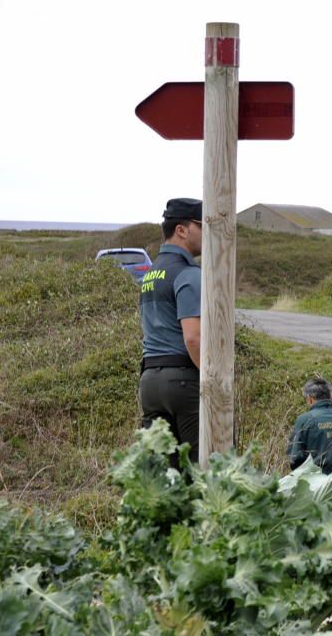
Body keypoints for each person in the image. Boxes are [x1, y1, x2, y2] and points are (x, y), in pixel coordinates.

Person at [138, 198, 203, 466]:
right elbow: (193, 337)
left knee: (164, 474)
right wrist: (215, 382)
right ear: (182, 230)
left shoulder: (150, 273)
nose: (208, 235)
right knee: (209, 469)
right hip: (183, 381)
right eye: (202, 226)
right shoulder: (188, 274)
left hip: (150, 381)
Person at [287, 377, 332, 473]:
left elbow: (295, 458)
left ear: (310, 399)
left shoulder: (304, 420)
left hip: (313, 482)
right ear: (330, 397)